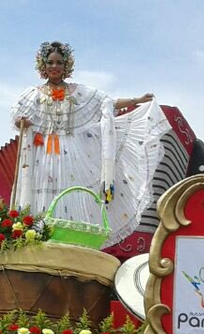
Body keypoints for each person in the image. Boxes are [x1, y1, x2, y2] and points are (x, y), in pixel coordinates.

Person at [11, 41, 168, 248]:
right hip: (43, 154)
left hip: (71, 155)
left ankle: (69, 242)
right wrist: (23, 122)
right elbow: (17, 116)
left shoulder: (79, 92)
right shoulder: (33, 93)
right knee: (43, 193)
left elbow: (107, 103)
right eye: (50, 62)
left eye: (59, 62)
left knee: (68, 194)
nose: (54, 67)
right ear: (43, 65)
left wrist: (135, 100)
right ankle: (39, 241)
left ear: (66, 65)